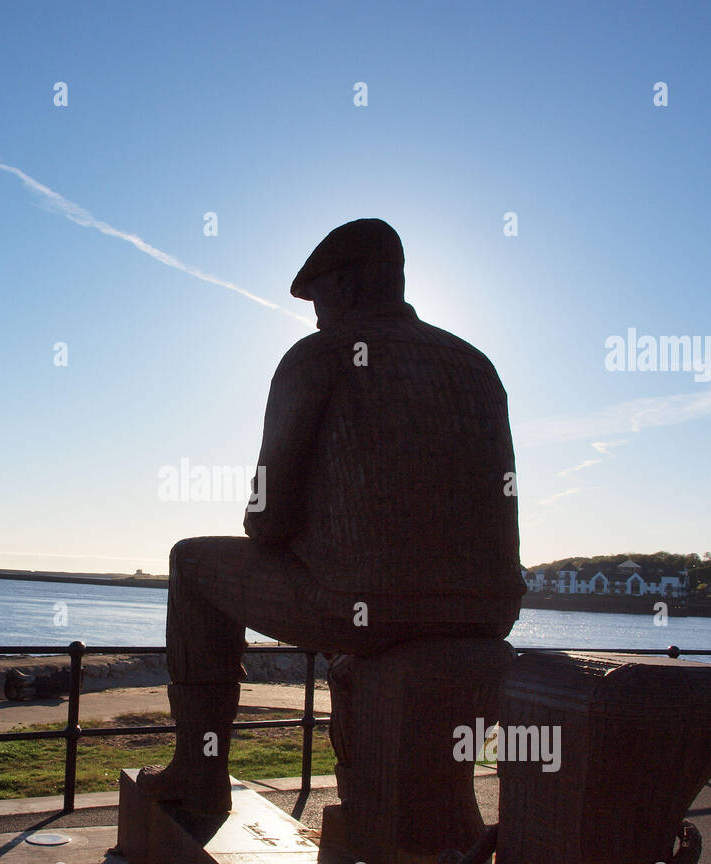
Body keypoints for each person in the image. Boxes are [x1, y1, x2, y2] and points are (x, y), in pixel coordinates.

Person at [137, 219, 524, 814]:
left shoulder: (319, 357)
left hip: (366, 608)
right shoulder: (476, 365)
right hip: (487, 611)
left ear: (344, 287)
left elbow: (265, 518)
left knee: (190, 564)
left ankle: (199, 773)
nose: (316, 315)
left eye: (317, 299)